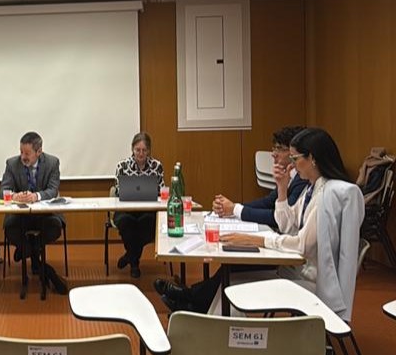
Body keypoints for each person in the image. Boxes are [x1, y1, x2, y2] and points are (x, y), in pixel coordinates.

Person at [156, 127, 363, 319]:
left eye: (295, 158)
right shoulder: (313, 188)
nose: (291, 165)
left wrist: (255, 240)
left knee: (232, 282)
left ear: (313, 159)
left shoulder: (326, 194)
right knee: (229, 281)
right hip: (294, 268)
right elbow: (287, 224)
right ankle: (199, 317)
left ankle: (201, 320)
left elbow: (302, 245)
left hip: (307, 279)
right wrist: (282, 188)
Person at [0, 131, 66, 292]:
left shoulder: (52, 163)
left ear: (39, 151)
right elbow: (3, 190)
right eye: (21, 152)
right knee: (10, 227)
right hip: (21, 215)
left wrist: (36, 196)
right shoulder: (12, 164)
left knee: (54, 227)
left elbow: (53, 190)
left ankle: (26, 251)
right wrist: (15, 196)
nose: (23, 157)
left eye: (27, 153)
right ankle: (43, 268)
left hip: (45, 214)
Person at [212, 126, 308, 229]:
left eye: (280, 149)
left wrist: (235, 209)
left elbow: (280, 218)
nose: (273, 154)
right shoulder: (289, 174)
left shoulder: (303, 178)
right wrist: (230, 206)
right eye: (274, 148)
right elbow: (268, 202)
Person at [113, 132, 164, 278]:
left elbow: (161, 189)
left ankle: (130, 256)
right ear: (132, 149)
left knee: (148, 222)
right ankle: (134, 263)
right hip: (126, 209)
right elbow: (117, 190)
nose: (141, 153)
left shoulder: (157, 166)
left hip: (148, 210)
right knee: (125, 222)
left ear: (149, 151)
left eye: (144, 150)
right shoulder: (122, 166)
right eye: (137, 150)